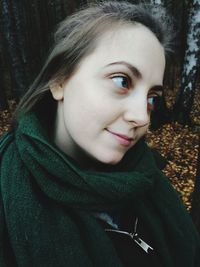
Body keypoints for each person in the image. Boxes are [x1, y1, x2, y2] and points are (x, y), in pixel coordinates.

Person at [0, 1, 199, 266]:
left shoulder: (148, 182)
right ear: (59, 80)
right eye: (122, 81)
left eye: (152, 98)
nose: (142, 117)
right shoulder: (7, 197)